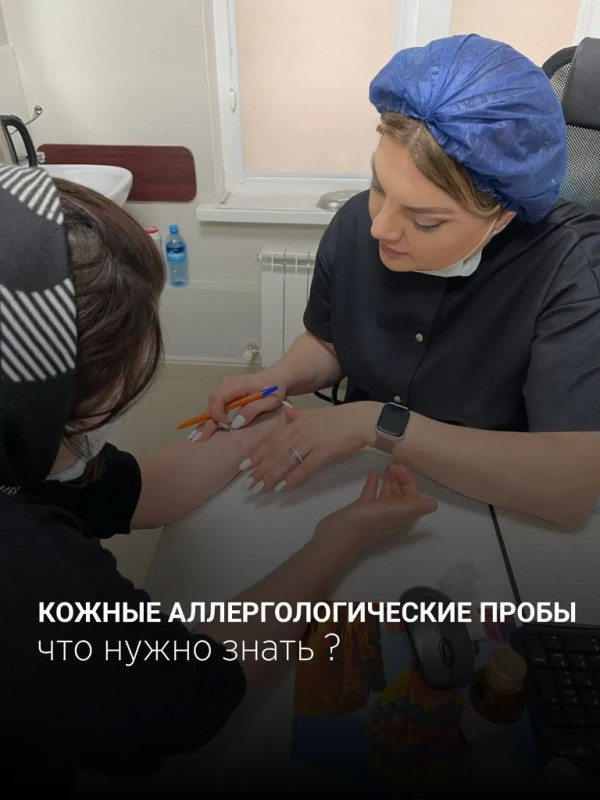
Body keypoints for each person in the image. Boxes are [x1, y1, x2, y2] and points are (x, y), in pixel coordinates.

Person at [0, 166, 438, 789]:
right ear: (47, 395)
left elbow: (124, 491)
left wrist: (256, 428)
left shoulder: (20, 443)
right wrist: (338, 540)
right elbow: (188, 691)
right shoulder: (25, 576)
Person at [203, 34, 600, 530]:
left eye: (425, 221)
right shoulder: (357, 223)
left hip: (494, 504)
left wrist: (377, 424)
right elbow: (330, 342)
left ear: (502, 214)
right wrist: (279, 376)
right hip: (363, 480)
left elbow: (568, 487)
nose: (380, 228)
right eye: (378, 185)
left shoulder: (570, 270)